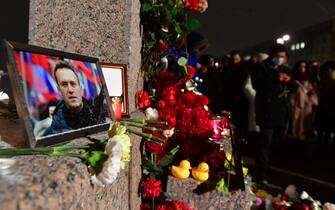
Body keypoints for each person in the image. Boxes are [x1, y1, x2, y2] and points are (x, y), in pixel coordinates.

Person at [251, 44, 297, 182]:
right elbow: (257, 85)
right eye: (277, 56)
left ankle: (271, 168)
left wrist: (288, 81)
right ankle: (261, 172)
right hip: (266, 111)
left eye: (282, 57)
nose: (280, 59)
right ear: (271, 55)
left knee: (276, 144)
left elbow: (293, 88)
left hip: (281, 112)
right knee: (265, 142)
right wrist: (274, 79)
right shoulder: (262, 67)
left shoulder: (285, 68)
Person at [43, 62, 105, 136]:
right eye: (64, 85)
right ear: (59, 91)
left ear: (81, 88)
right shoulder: (50, 135)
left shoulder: (101, 120)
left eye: (73, 83)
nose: (70, 90)